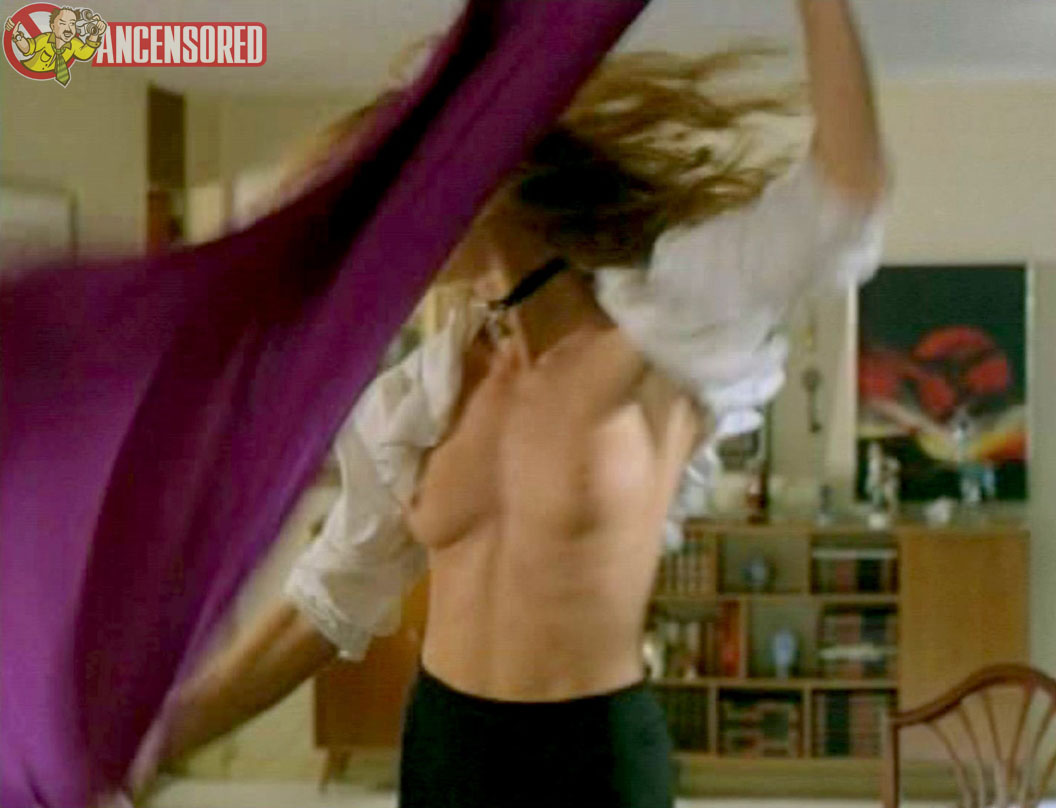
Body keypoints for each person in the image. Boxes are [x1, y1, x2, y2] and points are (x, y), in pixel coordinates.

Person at [138, 3, 886, 805]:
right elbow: (321, 608)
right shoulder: (421, 399)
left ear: (479, 181)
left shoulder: (658, 341)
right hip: (447, 749)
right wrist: (152, 744)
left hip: (591, 764)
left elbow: (843, 199)